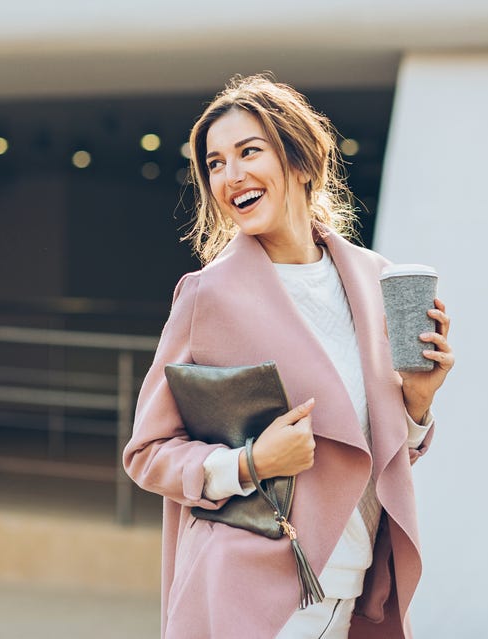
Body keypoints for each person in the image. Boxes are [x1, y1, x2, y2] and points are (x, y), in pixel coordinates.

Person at [123, 74, 454, 639]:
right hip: (250, 594)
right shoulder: (208, 296)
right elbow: (147, 453)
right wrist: (251, 462)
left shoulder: (373, 279)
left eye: (249, 152)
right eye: (216, 163)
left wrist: (417, 410)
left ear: (302, 161)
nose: (231, 176)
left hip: (351, 587)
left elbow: (363, 457)